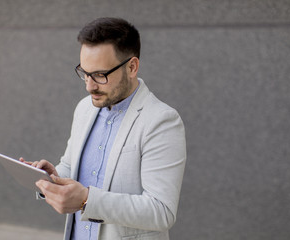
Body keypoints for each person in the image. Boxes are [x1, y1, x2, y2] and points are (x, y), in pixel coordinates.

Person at [20, 17, 186, 240]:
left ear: (132, 67)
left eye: (100, 75)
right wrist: (53, 177)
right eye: (85, 73)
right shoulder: (84, 108)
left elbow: (161, 212)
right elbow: (72, 166)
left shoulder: (161, 121)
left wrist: (86, 200)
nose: (90, 86)